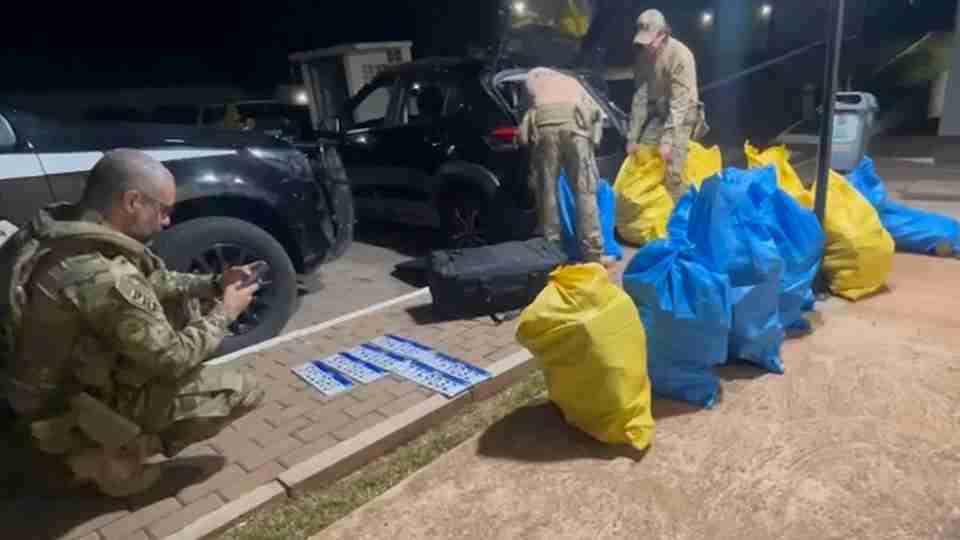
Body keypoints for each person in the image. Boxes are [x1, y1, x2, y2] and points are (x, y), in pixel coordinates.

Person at [0, 149, 265, 497]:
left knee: (178, 306)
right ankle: (109, 457)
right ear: (133, 201)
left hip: (32, 379)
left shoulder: (56, 231)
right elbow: (173, 358)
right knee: (243, 388)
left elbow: (150, 282)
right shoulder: (100, 273)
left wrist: (215, 284)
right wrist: (226, 311)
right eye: (164, 210)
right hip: (65, 404)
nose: (166, 221)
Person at [519, 66, 613, 267]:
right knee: (585, 192)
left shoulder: (532, 80)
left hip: (545, 128)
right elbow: (595, 114)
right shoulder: (572, 81)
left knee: (547, 194)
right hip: (576, 129)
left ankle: (552, 254)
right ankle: (593, 254)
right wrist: (593, 140)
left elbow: (524, 116)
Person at [627, 8, 709, 202]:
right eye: (643, 42)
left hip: (684, 113)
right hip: (661, 110)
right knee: (644, 157)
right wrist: (633, 137)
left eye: (650, 41)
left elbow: (679, 103)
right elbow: (640, 98)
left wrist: (667, 141)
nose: (646, 47)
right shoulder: (643, 58)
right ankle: (651, 211)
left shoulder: (680, 55)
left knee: (672, 169)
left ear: (663, 34)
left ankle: (679, 211)